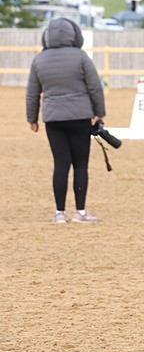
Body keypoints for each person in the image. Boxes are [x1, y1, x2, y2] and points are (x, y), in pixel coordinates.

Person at [25, 17, 107, 222]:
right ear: (74, 35)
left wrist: (32, 118)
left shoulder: (39, 60)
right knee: (80, 164)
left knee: (61, 164)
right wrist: (100, 111)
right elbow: (95, 86)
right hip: (80, 116)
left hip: (53, 118)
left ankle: (59, 213)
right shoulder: (81, 57)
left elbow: (32, 92)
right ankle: (80, 212)